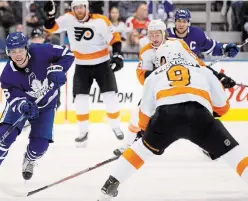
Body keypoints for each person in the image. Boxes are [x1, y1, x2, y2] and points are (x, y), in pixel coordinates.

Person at [98, 43, 248, 201]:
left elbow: (145, 112)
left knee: (140, 150)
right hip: (199, 115)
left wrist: (146, 133)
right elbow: (223, 107)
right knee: (233, 153)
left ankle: (109, 186)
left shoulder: (154, 75)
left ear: (163, 58)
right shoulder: (204, 71)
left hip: (165, 117)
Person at [114, 19, 237, 157]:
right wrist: (161, 73)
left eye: (157, 35)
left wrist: (219, 77)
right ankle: (128, 145)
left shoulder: (178, 44)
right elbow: (142, 76)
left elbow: (198, 64)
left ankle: (211, 145)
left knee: (202, 113)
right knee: (137, 114)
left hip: (185, 88)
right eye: (151, 35)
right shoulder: (146, 51)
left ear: (164, 34)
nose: (154, 39)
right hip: (162, 91)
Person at [0, 32, 74, 183]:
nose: (18, 55)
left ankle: (29, 159)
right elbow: (13, 98)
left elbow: (68, 54)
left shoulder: (41, 51)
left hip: (46, 105)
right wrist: (22, 105)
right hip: (22, 107)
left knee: (40, 145)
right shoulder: (7, 76)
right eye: (13, 51)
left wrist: (59, 69)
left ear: (27, 48)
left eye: (20, 50)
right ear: (8, 52)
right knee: (4, 136)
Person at [43, 0, 125, 146]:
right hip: (81, 65)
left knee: (110, 95)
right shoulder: (69, 18)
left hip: (103, 64)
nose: (79, 10)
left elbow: (115, 38)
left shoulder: (100, 21)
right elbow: (51, 28)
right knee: (80, 98)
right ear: (73, 9)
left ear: (87, 8)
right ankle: (83, 132)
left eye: (81, 7)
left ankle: (116, 126)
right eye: (76, 8)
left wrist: (118, 55)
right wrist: (50, 16)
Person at [168, 9, 240, 58]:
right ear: (174, 22)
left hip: (192, 71)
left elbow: (212, 47)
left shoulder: (197, 34)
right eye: (179, 21)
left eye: (184, 21)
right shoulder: (166, 35)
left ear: (188, 23)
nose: (181, 24)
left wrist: (225, 49)